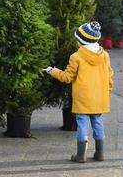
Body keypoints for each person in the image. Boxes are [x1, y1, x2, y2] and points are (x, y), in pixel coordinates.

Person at [44, 21, 114, 163]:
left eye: (78, 40)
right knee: (98, 123)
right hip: (100, 97)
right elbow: (109, 77)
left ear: (82, 41)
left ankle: (80, 155)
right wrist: (107, 94)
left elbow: (67, 77)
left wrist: (52, 71)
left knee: (82, 124)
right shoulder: (105, 56)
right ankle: (100, 153)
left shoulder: (76, 57)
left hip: (83, 98)